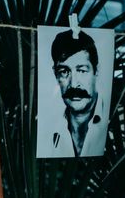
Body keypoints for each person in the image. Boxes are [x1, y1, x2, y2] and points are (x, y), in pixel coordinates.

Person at [37, 29, 109, 158]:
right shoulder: (44, 130)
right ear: (55, 74)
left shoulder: (114, 121)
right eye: (64, 71)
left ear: (96, 70)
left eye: (81, 70)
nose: (74, 84)